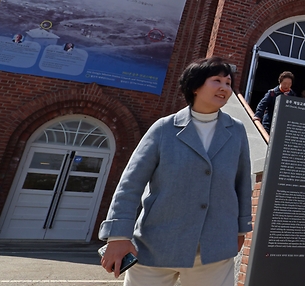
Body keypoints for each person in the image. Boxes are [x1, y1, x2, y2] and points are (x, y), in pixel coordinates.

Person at [98, 57, 253, 285]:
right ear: (195, 86)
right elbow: (131, 183)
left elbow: (241, 184)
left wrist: (240, 230)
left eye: (228, 83)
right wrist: (118, 236)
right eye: (217, 80)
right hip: (156, 245)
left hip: (213, 250)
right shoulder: (164, 128)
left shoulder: (237, 131)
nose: (224, 87)